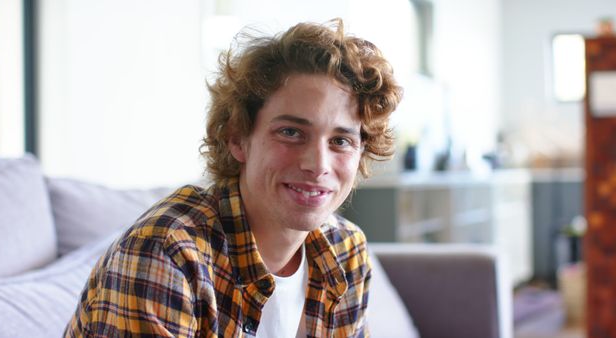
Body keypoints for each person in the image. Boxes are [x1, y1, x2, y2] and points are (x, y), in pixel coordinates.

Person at [64, 18, 401, 337]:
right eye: (290, 132)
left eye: (340, 141)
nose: (317, 164)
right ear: (237, 138)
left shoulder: (344, 249)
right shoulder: (169, 253)